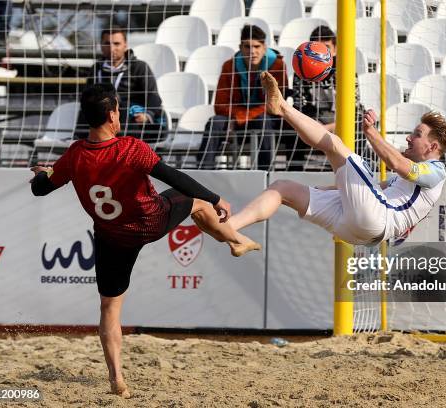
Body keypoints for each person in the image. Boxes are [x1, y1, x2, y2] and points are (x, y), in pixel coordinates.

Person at [30, 84, 260, 398]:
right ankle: (235, 241)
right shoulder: (130, 148)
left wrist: (43, 173)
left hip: (112, 236)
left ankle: (117, 379)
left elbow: (40, 190)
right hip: (150, 222)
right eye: (118, 110)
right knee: (198, 203)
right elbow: (174, 176)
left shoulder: (74, 156)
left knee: (109, 308)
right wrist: (216, 197)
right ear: (112, 115)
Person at [228, 72, 446, 245]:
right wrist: (323, 190)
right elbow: (378, 186)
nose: (408, 138)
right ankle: (229, 228)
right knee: (282, 189)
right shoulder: (409, 180)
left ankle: (282, 108)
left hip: (378, 218)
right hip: (355, 227)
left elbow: (397, 164)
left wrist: (371, 132)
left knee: (335, 144)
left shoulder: (436, 171)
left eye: (417, 135)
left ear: (432, 146)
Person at [197, 24, 288, 170]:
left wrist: (242, 116)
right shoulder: (229, 66)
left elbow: (276, 104)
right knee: (215, 122)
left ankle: (265, 173)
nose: (252, 51)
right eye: (247, 46)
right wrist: (238, 116)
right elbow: (219, 105)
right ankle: (202, 174)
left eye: (256, 46)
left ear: (264, 47)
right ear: (240, 47)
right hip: (236, 118)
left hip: (265, 118)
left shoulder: (278, 65)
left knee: (262, 120)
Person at [288, 25, 363, 170]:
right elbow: (300, 107)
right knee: (292, 128)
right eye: (317, 48)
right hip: (314, 121)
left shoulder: (346, 70)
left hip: (340, 122)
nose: (321, 54)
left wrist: (327, 128)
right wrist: (314, 126)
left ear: (334, 50)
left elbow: (353, 109)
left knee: (360, 126)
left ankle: (356, 171)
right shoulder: (301, 72)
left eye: (326, 47)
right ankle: (294, 172)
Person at [77, 25, 164, 142]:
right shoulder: (96, 68)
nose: (112, 48)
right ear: (101, 46)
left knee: (120, 106)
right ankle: (80, 143)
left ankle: (119, 146)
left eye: (116, 44)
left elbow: (153, 96)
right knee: (88, 106)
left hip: (130, 119)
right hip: (100, 118)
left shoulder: (139, 67)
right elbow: (86, 96)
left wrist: (147, 114)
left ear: (125, 45)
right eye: (107, 43)